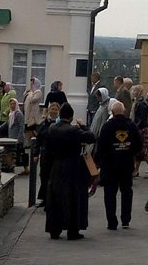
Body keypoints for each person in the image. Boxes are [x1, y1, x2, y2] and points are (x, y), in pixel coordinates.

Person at [44, 103, 97, 240]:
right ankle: (72, 230)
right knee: (73, 199)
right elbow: (91, 137)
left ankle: (54, 228)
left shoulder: (52, 128)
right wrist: (83, 126)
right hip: (72, 168)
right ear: (71, 117)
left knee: (55, 198)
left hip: (56, 166)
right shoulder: (73, 131)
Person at [94, 100, 142, 230]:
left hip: (110, 166)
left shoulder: (107, 126)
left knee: (110, 193)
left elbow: (101, 147)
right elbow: (139, 144)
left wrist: (99, 163)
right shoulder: (131, 125)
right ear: (124, 111)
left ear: (112, 112)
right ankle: (125, 219)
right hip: (126, 165)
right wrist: (130, 152)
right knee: (127, 191)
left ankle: (112, 222)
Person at [32, 101, 60, 206]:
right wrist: (36, 154)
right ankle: (44, 199)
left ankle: (53, 200)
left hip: (56, 155)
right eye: (52, 109)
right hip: (45, 154)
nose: (53, 111)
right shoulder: (44, 124)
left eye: (55, 109)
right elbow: (38, 139)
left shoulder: (59, 123)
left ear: (58, 111)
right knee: (44, 176)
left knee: (54, 178)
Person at [0, 97, 26, 172]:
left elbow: (22, 126)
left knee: (20, 153)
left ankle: (25, 168)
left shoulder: (18, 114)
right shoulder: (11, 114)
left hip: (17, 138)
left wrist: (19, 138)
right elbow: (7, 124)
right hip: (11, 137)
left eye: (14, 104)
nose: (12, 105)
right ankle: (12, 166)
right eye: (11, 104)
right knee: (13, 153)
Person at [131, 85, 148, 178]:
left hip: (141, 129)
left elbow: (141, 119)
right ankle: (136, 170)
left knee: (143, 152)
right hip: (142, 128)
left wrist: (136, 127)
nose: (132, 92)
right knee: (140, 151)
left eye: (133, 91)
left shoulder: (140, 104)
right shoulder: (141, 103)